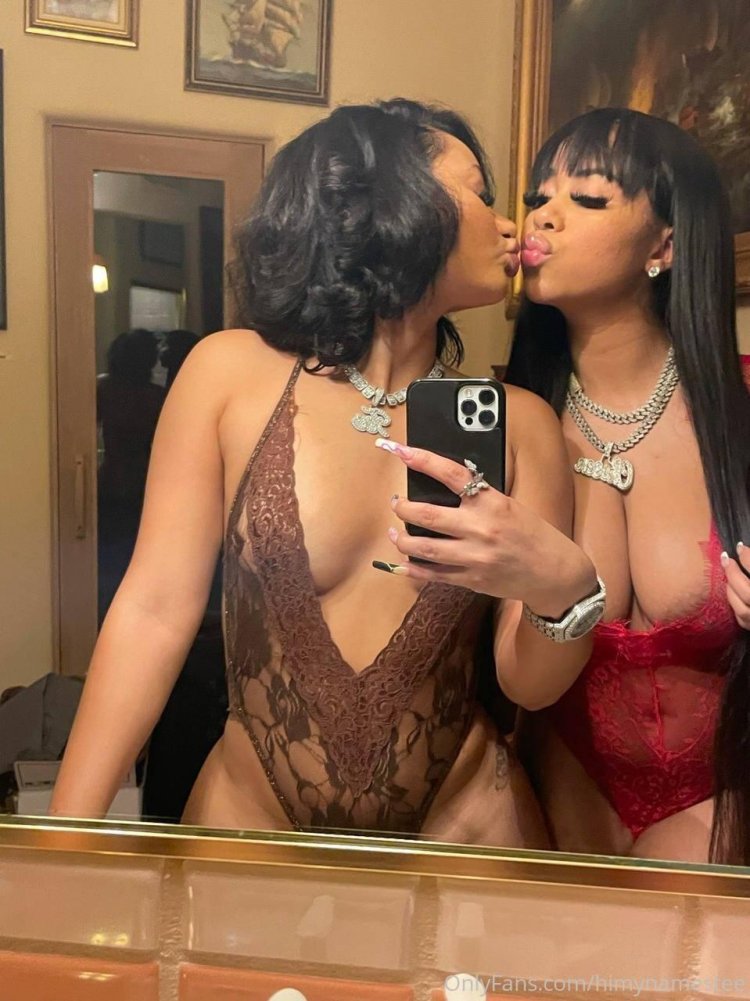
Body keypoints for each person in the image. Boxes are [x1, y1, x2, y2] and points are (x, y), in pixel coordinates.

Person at [51, 99, 600, 846]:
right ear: (390, 201)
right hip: (248, 828)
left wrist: (564, 588)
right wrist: (62, 843)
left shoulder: (522, 423)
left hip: (466, 830)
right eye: (480, 193)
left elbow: (526, 684)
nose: (511, 227)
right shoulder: (228, 375)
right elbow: (152, 612)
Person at [504, 107, 750, 864]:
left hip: (725, 802)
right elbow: (520, 683)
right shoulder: (515, 422)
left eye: (587, 197)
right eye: (539, 196)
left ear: (664, 246)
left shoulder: (741, 411)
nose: (544, 215)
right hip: (558, 794)